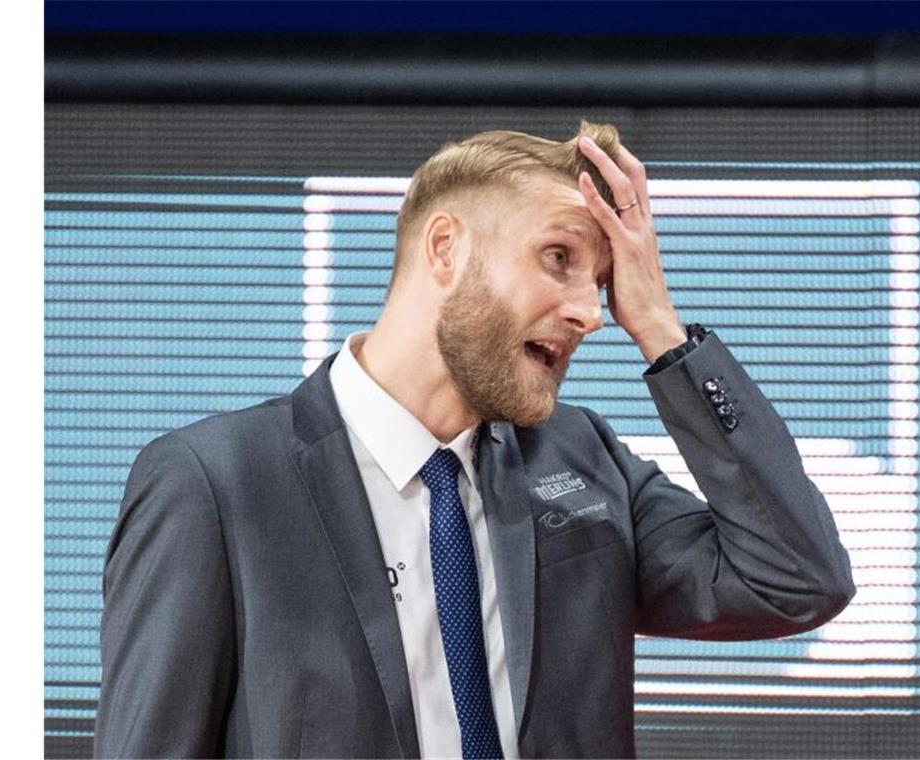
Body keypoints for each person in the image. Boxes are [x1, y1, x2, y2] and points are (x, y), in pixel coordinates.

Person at [93, 122, 855, 759]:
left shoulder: (582, 457)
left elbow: (797, 578)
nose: (590, 313)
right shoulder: (215, 483)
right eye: (558, 260)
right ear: (445, 248)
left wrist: (660, 328)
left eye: (600, 281)